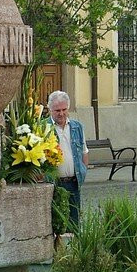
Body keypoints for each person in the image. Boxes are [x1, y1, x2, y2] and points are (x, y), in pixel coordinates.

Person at [46, 90, 89, 229]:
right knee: (55, 224)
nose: (61, 113)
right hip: (53, 183)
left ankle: (73, 250)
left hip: (73, 183)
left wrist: (83, 170)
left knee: (74, 223)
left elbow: (84, 151)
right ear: (50, 109)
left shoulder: (77, 127)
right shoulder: (44, 127)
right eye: (57, 110)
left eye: (64, 109)